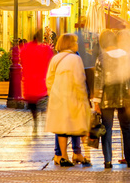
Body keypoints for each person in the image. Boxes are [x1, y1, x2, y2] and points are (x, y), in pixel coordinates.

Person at [92, 29, 130, 168]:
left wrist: (96, 102)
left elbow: (99, 82)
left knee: (107, 128)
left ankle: (108, 160)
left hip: (106, 98)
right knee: (127, 128)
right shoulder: (126, 56)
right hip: (125, 97)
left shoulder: (102, 57)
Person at [45, 34, 92, 167]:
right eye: (75, 42)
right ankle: (76, 153)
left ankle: (61, 155)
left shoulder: (55, 58)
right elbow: (79, 79)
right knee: (76, 124)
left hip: (58, 97)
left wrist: (53, 93)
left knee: (61, 126)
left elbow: (49, 79)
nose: (77, 44)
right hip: (73, 96)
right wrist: (84, 96)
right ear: (70, 44)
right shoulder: (76, 59)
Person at [19, 30, 53, 134]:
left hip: (30, 81)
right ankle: (42, 117)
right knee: (43, 99)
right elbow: (50, 59)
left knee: (33, 105)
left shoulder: (26, 48)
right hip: (40, 80)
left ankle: (35, 122)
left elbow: (22, 58)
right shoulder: (44, 49)